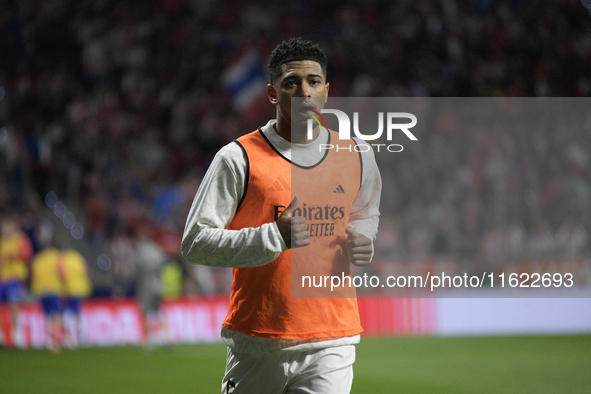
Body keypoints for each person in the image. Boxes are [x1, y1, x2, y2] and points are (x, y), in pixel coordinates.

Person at [182, 37, 381, 393]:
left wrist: (364, 237)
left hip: (332, 339)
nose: (304, 91)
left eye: (313, 82)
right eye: (291, 83)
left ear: (326, 91)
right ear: (273, 93)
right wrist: (273, 237)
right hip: (259, 339)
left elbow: (366, 212)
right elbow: (195, 242)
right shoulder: (237, 158)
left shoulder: (358, 154)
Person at [0, 213, 33, 349]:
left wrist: (10, 256)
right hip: (2, 279)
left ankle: (16, 336)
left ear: (12, 226)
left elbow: (26, 256)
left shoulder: (21, 239)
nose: (3, 229)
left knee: (14, 306)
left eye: (5, 226)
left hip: (15, 278)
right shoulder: (1, 241)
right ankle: (2, 337)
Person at [30, 241, 65, 353]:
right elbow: (62, 273)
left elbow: (33, 276)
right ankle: (56, 343)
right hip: (53, 290)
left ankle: (49, 341)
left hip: (41, 292)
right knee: (56, 316)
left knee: (47, 317)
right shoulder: (57, 256)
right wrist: (64, 288)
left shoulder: (37, 259)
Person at [59, 246, 92, 349]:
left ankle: (69, 338)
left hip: (69, 289)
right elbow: (86, 271)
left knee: (68, 312)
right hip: (81, 288)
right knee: (78, 312)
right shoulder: (78, 257)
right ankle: (81, 337)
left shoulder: (62, 259)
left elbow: (62, 275)